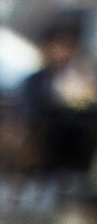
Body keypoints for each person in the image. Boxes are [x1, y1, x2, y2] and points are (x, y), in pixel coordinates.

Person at [19, 12, 97, 181]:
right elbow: (29, 116)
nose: (62, 52)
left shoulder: (82, 81)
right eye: (58, 45)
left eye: (68, 46)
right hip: (43, 157)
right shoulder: (35, 81)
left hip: (77, 157)